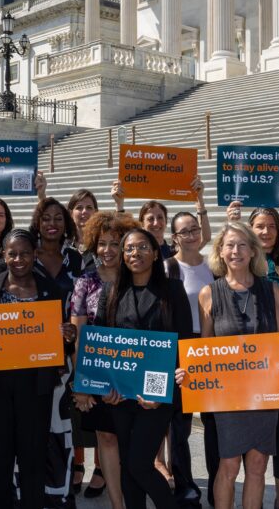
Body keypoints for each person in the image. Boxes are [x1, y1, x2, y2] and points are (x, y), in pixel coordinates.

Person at [0, 228, 77, 509]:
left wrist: (68, 337)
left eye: (25, 253)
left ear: (35, 254)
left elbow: (60, 342)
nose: (19, 259)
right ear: (4, 255)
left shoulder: (52, 290)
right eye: (12, 253)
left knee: (33, 455)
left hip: (34, 386)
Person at [197, 223, 279, 509]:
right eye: (230, 245)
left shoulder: (272, 291)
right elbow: (204, 351)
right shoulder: (208, 293)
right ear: (220, 251)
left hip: (265, 394)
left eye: (243, 244)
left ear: (254, 251)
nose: (236, 251)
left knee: (257, 466)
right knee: (228, 465)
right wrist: (190, 372)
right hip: (228, 398)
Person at [89, 227, 191, 509]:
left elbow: (183, 341)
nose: (136, 253)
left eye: (143, 247)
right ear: (122, 256)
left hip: (157, 396)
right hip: (120, 396)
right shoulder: (110, 292)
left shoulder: (172, 290)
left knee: (139, 464)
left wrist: (161, 393)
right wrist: (104, 388)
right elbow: (99, 343)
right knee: (128, 466)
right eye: (130, 248)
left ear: (156, 253)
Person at [71, 211, 138, 509]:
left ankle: (135, 496)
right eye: (102, 243)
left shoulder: (138, 279)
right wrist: (82, 385)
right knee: (107, 439)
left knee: (133, 443)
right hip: (98, 375)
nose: (108, 250)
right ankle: (116, 504)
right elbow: (78, 335)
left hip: (133, 372)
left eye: (115, 243)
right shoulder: (85, 283)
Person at [30, 197, 85, 508]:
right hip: (25, 360)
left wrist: (72, 330)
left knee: (59, 430)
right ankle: (25, 491)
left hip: (62, 361)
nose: (52, 224)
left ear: (66, 224)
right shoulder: (24, 256)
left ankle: (59, 492)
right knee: (27, 429)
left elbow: (84, 307)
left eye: (58, 219)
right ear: (38, 222)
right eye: (46, 218)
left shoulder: (76, 261)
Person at [164, 211, 210, 509]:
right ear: (174, 238)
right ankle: (185, 486)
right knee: (179, 425)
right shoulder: (168, 267)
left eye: (195, 229)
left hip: (210, 347)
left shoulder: (213, 265)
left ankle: (219, 480)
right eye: (184, 231)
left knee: (213, 422)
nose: (191, 235)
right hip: (180, 348)